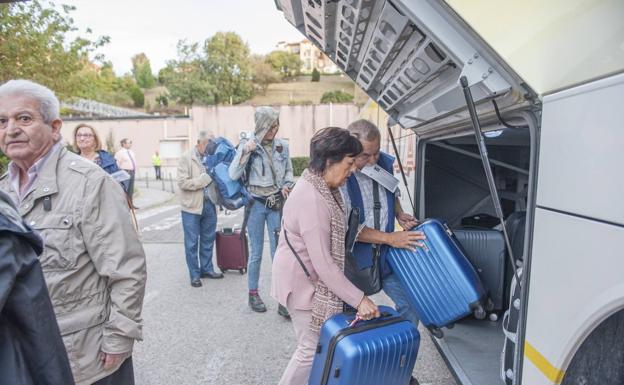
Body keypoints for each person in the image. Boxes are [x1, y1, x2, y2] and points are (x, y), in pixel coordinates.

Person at [0, 79, 147, 385]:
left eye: (23, 118)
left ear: (55, 128)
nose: (11, 129)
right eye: (2, 121)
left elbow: (126, 269)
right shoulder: (3, 191)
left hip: (87, 361)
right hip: (24, 360)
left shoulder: (90, 184)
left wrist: (119, 339)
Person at [271, 127, 380, 385]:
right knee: (310, 351)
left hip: (306, 279)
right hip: (301, 284)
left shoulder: (321, 186)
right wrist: (360, 299)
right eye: (350, 163)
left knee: (317, 351)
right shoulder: (313, 198)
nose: (353, 170)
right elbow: (324, 265)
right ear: (331, 161)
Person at [343, 119, 425, 385]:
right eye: (366, 154)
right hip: (357, 259)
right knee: (349, 319)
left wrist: (400, 214)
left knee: (411, 305)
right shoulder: (343, 173)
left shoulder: (383, 163)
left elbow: (392, 190)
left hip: (387, 256)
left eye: (376, 151)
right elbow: (351, 229)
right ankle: (357, 369)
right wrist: (392, 238)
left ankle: (396, 364)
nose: (372, 158)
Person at [0, 189, 75, 385]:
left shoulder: (89, 179)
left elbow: (122, 263)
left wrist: (119, 334)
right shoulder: (7, 184)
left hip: (78, 334)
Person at [229, 106, 294, 316]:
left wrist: (287, 185)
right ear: (261, 125)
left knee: (279, 253)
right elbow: (233, 174)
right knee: (256, 253)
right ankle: (253, 294)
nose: (274, 130)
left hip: (276, 204)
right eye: (270, 126)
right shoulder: (249, 145)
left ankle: (282, 299)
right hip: (256, 205)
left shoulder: (282, 146)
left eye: (276, 125)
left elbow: (289, 173)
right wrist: (245, 151)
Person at [177, 130, 224, 287]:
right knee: (191, 243)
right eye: (208, 144)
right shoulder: (186, 157)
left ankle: (207, 269)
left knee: (208, 240)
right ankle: (194, 275)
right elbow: (182, 183)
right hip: (191, 207)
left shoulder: (212, 157)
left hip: (209, 204)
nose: (211, 148)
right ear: (200, 143)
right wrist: (202, 181)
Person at [73, 123, 130, 191]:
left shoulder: (108, 160)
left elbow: (120, 186)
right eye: (78, 135)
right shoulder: (72, 161)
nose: (82, 138)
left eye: (86, 135)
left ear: (95, 140)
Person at [115, 137, 138, 207]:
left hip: (132, 172)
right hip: (125, 172)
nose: (130, 144)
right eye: (129, 143)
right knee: (124, 190)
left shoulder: (131, 152)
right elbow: (117, 164)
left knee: (130, 189)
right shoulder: (119, 153)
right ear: (123, 144)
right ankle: (123, 205)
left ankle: (130, 205)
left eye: (131, 142)